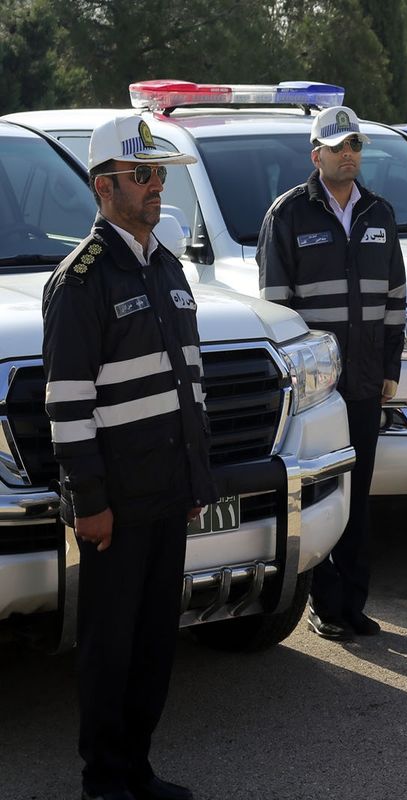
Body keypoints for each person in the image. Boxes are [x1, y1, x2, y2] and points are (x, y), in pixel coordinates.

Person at [43, 114, 218, 800]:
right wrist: (89, 501)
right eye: (143, 175)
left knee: (153, 644)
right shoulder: (81, 281)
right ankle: (104, 778)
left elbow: (188, 382)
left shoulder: (166, 265)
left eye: (160, 175)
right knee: (110, 646)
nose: (156, 188)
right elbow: (66, 403)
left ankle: (136, 767)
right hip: (115, 503)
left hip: (167, 491)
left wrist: (196, 477)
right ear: (104, 185)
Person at [258, 105, 406, 639]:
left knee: (357, 496)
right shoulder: (289, 215)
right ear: (315, 154)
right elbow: (277, 309)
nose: (349, 154)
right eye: (339, 145)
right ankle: (323, 603)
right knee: (323, 494)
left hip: (366, 381)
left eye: (356, 145)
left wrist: (391, 367)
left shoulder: (380, 214)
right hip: (317, 392)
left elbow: (395, 300)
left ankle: (354, 603)